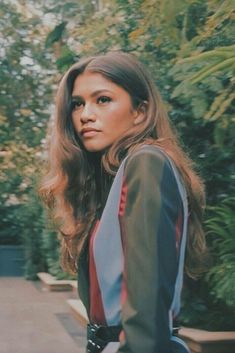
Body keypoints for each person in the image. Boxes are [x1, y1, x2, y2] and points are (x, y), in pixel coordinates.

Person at [40, 51, 206, 353]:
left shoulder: (147, 163)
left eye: (102, 99)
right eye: (78, 104)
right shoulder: (113, 180)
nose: (85, 115)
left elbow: (147, 309)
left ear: (140, 112)